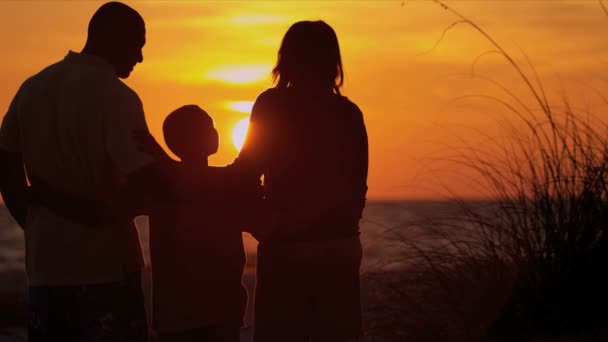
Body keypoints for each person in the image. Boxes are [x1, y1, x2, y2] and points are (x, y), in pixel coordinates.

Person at [0, 2, 203, 341]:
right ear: (112, 38)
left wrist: (34, 217)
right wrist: (102, 213)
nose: (139, 58)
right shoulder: (117, 96)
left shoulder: (32, 87)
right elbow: (145, 181)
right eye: (137, 44)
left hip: (45, 267)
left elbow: (5, 161)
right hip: (106, 268)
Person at [231, 20, 369, 342]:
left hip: (287, 247)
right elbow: (356, 189)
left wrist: (260, 218)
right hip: (339, 245)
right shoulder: (349, 113)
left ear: (287, 59)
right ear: (333, 61)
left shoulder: (273, 105)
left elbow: (247, 171)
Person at [148, 105, 254, 342]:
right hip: (215, 311)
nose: (216, 132)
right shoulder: (225, 184)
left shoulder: (163, 183)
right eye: (208, 127)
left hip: (178, 313)